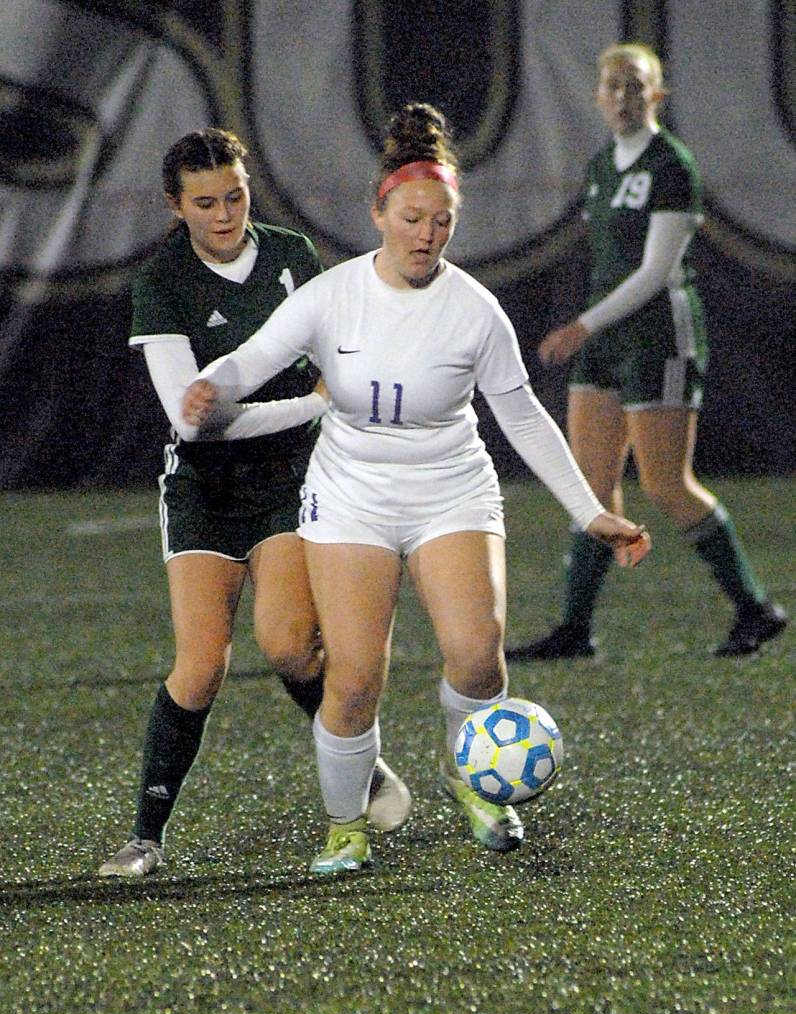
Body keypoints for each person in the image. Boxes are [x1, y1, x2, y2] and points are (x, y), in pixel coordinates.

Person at [180, 104, 651, 875]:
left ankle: (469, 777)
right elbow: (251, 358)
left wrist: (592, 511)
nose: (427, 234)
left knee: (477, 658)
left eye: (442, 220)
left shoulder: (475, 310)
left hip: (451, 490)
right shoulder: (332, 297)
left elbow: (525, 418)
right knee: (357, 676)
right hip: (352, 495)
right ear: (379, 213)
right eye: (411, 217)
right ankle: (347, 825)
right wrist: (212, 385)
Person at [99, 128, 409, 879]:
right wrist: (314, 405)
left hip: (287, 479)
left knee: (288, 644)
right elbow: (190, 419)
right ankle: (146, 834)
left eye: (234, 195)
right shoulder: (163, 280)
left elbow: (342, 349)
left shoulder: (292, 256)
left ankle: (360, 765)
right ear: (175, 207)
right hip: (204, 485)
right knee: (201, 664)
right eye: (204, 202)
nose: (224, 212)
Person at [506, 43, 787, 663]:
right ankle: (575, 630)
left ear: (657, 95)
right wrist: (592, 327)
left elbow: (658, 271)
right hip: (606, 337)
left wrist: (582, 324)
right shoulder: (603, 163)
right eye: (614, 86)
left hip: (659, 333)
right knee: (592, 486)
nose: (624, 97)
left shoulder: (672, 164)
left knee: (665, 484)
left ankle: (754, 608)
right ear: (598, 96)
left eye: (637, 86)